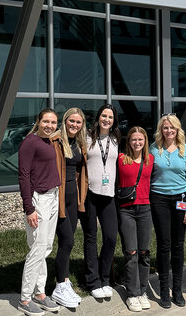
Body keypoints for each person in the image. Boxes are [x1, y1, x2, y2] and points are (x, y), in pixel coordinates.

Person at [17, 108, 63, 316]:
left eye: (53, 123)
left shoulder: (47, 141)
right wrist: (30, 208)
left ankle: (40, 294)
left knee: (46, 248)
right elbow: (23, 176)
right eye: (46, 121)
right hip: (39, 199)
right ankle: (25, 299)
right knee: (37, 249)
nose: (50, 126)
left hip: (52, 197)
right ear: (38, 121)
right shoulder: (30, 142)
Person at [149, 114, 186, 308]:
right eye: (165, 128)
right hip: (159, 198)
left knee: (178, 244)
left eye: (172, 128)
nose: (169, 131)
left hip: (180, 200)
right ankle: (163, 291)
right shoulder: (153, 149)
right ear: (161, 130)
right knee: (164, 244)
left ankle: (177, 290)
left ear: (178, 130)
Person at [80, 104, 120, 299]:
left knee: (111, 237)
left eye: (110, 117)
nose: (107, 119)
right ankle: (92, 280)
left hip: (109, 194)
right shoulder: (88, 137)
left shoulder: (115, 139)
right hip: (90, 194)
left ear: (114, 120)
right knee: (91, 237)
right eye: (104, 116)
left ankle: (105, 278)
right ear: (98, 117)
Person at [49, 108, 89, 309]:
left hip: (74, 197)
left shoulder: (79, 144)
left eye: (78, 122)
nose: (74, 125)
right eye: (71, 121)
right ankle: (59, 287)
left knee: (68, 241)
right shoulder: (55, 141)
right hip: (59, 197)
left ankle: (64, 280)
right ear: (64, 121)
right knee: (68, 240)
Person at [117, 127, 154, 312]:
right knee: (131, 252)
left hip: (145, 209)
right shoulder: (121, 159)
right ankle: (132, 294)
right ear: (129, 141)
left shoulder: (150, 159)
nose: (137, 143)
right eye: (134, 140)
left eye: (140, 139)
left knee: (144, 252)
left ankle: (142, 291)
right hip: (127, 210)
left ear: (145, 141)